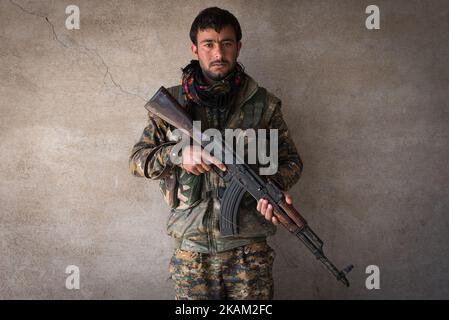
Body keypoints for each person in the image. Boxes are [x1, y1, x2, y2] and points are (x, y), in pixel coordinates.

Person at [129, 7, 303, 300]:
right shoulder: (172, 104)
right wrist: (176, 155)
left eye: (226, 43)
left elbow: (292, 162)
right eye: (209, 44)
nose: (218, 52)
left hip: (249, 254)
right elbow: (137, 161)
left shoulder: (264, 105)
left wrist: (272, 188)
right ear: (195, 49)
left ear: (238, 47)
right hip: (192, 251)